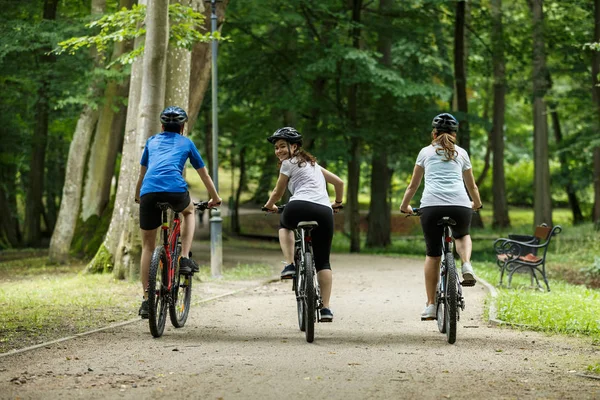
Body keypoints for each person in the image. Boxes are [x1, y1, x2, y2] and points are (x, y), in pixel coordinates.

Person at [134, 106, 221, 319]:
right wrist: (215, 198)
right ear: (182, 127)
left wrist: (138, 195)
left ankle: (147, 300)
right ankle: (183, 258)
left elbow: (142, 173)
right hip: (175, 190)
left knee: (147, 246)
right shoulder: (186, 142)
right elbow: (205, 175)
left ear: (162, 126)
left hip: (149, 192)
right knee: (189, 212)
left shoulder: (152, 141)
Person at [399, 113, 483, 321]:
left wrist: (404, 206)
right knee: (462, 235)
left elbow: (413, 185)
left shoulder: (425, 152)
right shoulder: (461, 153)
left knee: (433, 255)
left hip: (431, 207)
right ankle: (466, 264)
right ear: (454, 134)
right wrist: (477, 204)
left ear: (434, 133)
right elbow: (471, 185)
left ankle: (430, 305)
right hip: (460, 205)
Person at [263, 127, 344, 322]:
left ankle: (290, 264)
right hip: (324, 211)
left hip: (298, 205)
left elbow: (278, 191)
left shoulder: (288, 164)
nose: (278, 151)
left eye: (282, 146)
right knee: (323, 262)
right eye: (276, 148)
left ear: (295, 146)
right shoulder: (314, 165)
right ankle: (325, 308)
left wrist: (269, 206)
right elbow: (339, 183)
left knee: (285, 226)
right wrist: (337, 204)